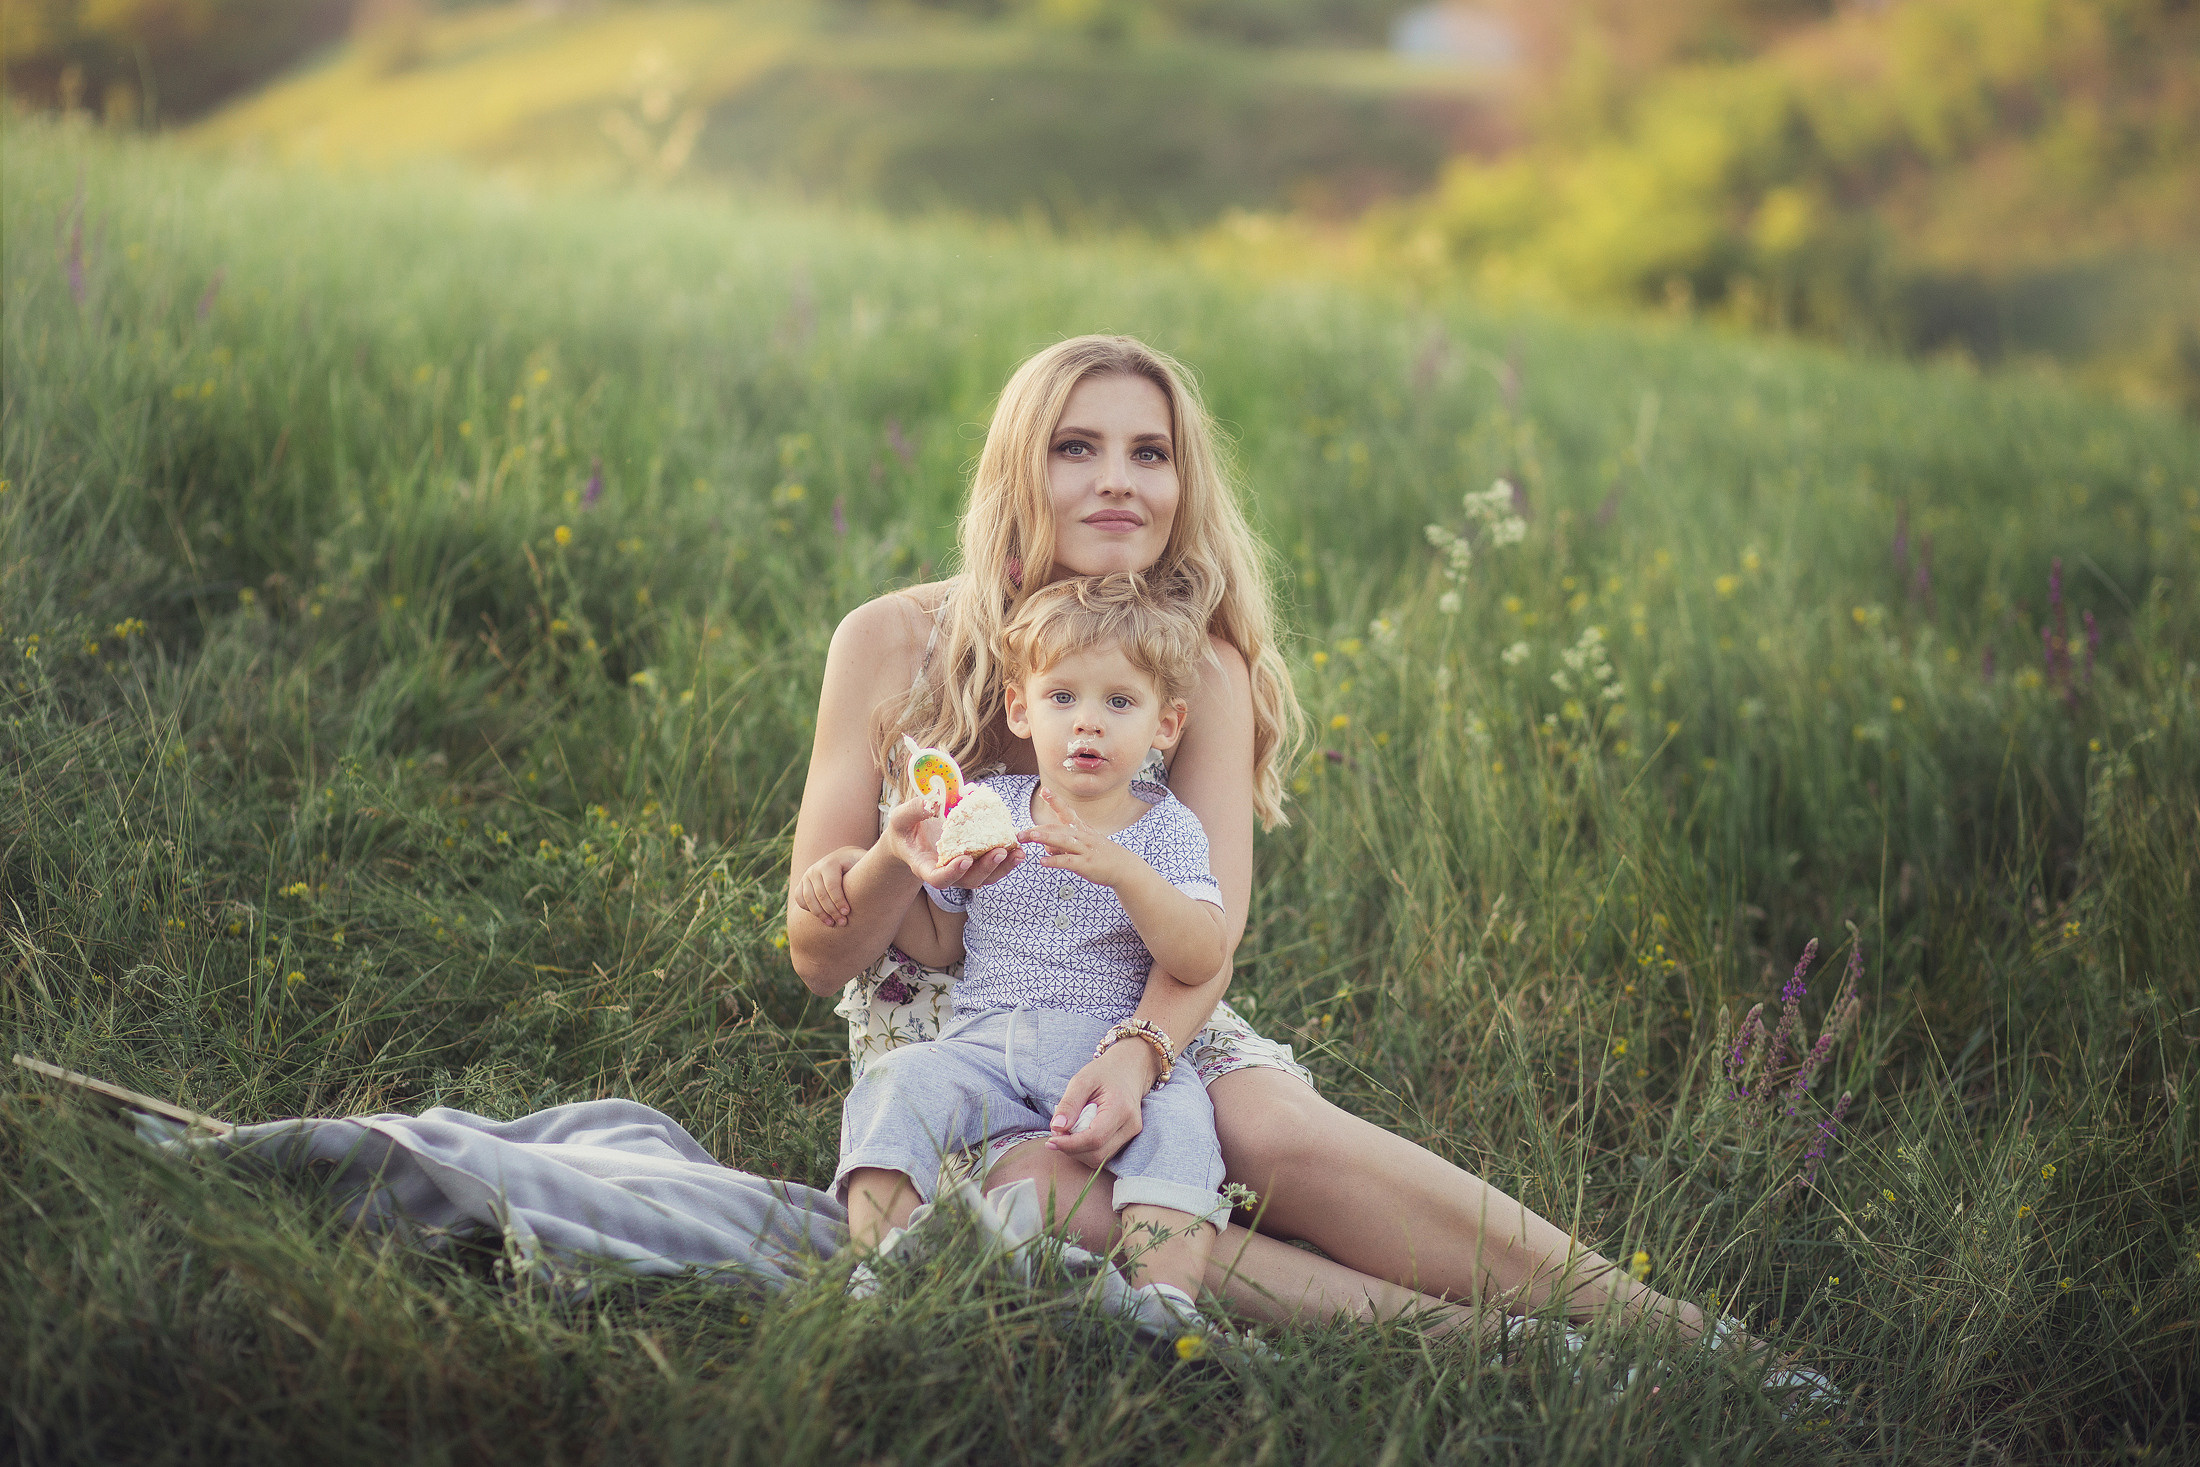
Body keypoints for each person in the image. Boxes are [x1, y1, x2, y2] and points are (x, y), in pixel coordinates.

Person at [788, 333, 1714, 1344]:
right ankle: (1495, 1346)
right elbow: (819, 953)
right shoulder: (885, 642)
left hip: (1147, 1000)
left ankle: (1667, 1328)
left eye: (1150, 454)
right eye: (1074, 448)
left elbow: (1206, 939)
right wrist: (895, 860)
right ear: (1019, 467)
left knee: (1264, 1125)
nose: (1117, 483)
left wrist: (1137, 1060)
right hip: (958, 1034)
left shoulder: (1201, 673)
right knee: (1057, 1195)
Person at [836, 574, 1233, 1325]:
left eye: (1119, 702)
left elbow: (1201, 952)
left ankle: (1165, 1305)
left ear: (1166, 724)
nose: (1088, 724)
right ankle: (876, 1270)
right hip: (985, 1040)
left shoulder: (1166, 828)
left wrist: (1127, 874)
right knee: (897, 1083)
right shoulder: (994, 807)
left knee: (1183, 1128)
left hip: (1105, 1051)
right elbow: (938, 938)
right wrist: (880, 865)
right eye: (1063, 699)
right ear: (1022, 707)